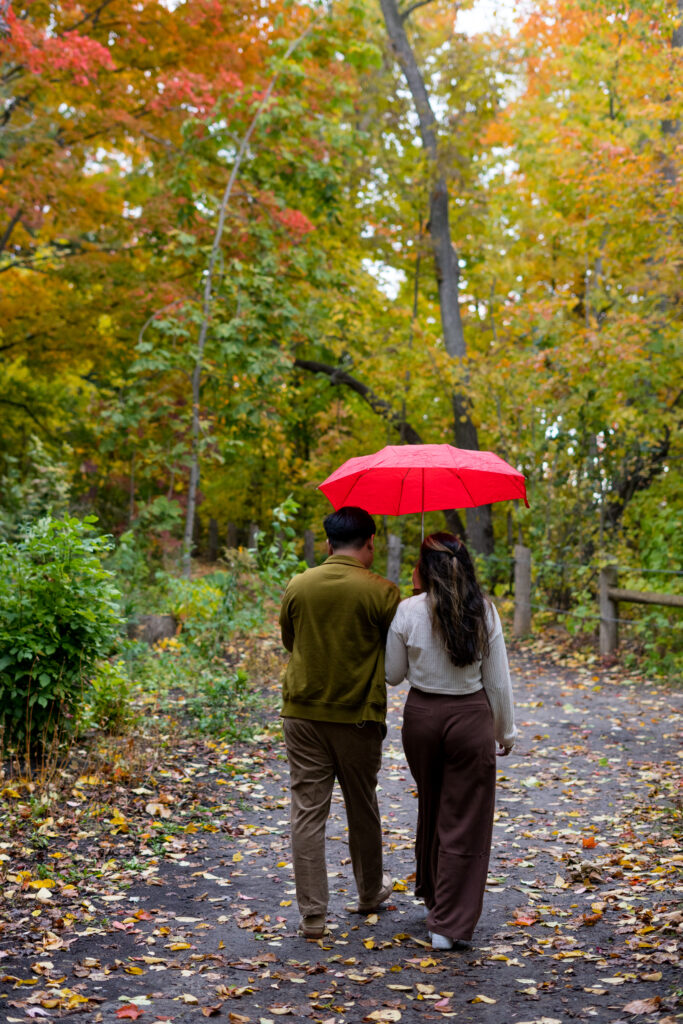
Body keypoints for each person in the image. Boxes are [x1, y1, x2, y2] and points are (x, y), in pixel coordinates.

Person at [385, 532, 517, 951]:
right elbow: (497, 683)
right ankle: (447, 921)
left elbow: (392, 674)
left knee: (434, 804)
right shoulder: (485, 613)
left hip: (422, 720)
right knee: (465, 819)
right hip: (469, 720)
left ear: (423, 568)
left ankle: (435, 898)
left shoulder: (407, 611)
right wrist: (505, 731)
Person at [279, 506, 401, 939]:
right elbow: (396, 652)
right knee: (361, 805)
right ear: (370, 543)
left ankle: (313, 915)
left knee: (307, 812)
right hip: (358, 717)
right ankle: (369, 892)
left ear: (328, 544)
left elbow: (290, 640)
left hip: (303, 712)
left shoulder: (299, 585)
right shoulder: (384, 592)